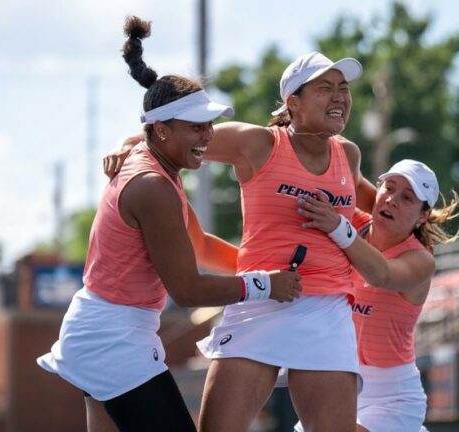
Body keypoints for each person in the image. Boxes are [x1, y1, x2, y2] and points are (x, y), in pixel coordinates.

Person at [37, 16, 302, 432]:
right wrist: (265, 285)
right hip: (113, 340)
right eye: (197, 126)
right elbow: (188, 288)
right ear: (161, 130)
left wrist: (263, 270)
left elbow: (197, 243)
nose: (209, 135)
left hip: (105, 333)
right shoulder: (153, 187)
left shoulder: (159, 172)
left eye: (210, 124)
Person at [105, 50, 375, 432]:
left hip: (326, 309)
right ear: (292, 103)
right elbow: (172, 135)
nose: (340, 97)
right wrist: (128, 142)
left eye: (343, 88)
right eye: (325, 88)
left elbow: (373, 210)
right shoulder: (257, 144)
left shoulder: (348, 153)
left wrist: (411, 218)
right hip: (261, 301)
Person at [294, 159, 459, 431]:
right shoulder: (355, 224)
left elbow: (380, 274)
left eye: (407, 198)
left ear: (422, 216)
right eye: (389, 187)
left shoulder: (421, 259)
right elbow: (346, 160)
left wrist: (337, 226)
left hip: (392, 396)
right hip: (340, 380)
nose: (392, 199)